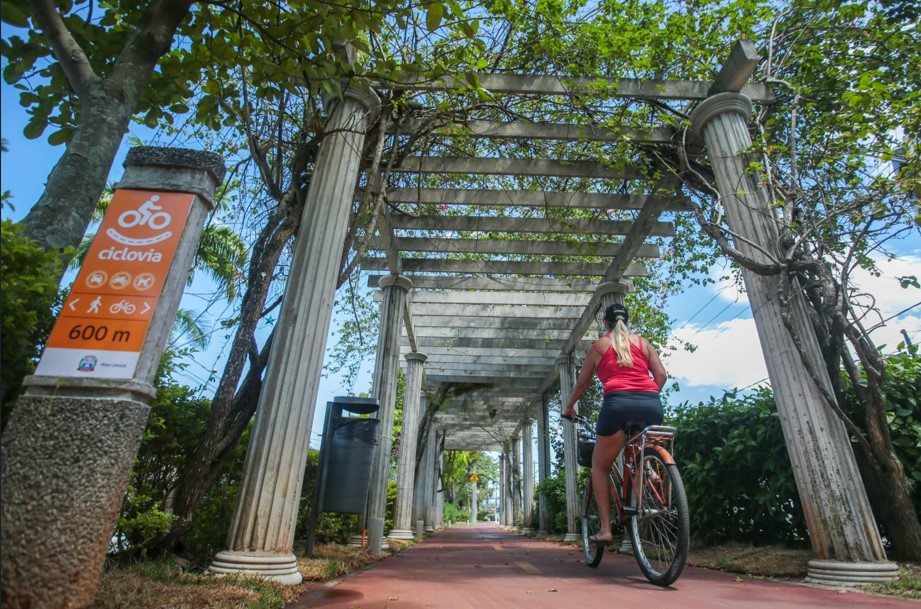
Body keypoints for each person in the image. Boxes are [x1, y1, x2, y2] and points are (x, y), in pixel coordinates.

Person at [561, 302, 667, 543]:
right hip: (651, 404)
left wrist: (569, 407)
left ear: (605, 324)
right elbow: (661, 375)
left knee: (600, 466)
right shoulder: (642, 343)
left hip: (617, 405)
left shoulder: (599, 346)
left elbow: (582, 384)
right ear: (626, 322)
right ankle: (647, 472)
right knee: (637, 447)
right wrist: (648, 397)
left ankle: (606, 530)